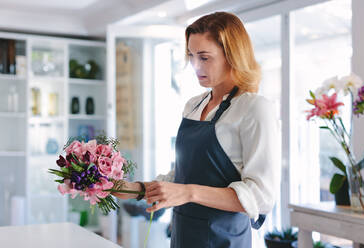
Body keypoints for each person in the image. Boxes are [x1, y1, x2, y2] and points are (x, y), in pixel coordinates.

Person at [113, 11, 280, 248]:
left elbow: (261, 197)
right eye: (191, 56)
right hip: (183, 235)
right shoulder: (194, 105)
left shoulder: (254, 108)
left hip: (224, 239)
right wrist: (134, 189)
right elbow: (181, 176)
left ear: (232, 55)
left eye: (204, 57)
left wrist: (189, 193)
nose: (195, 66)